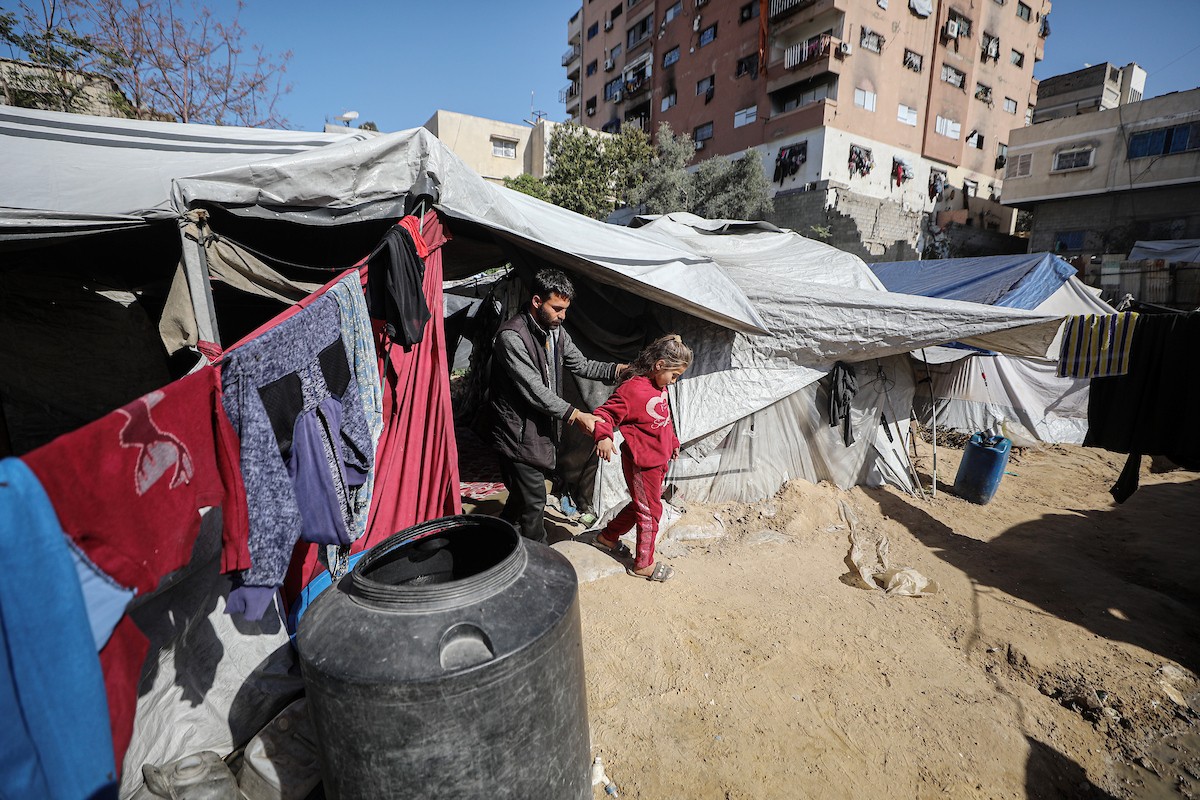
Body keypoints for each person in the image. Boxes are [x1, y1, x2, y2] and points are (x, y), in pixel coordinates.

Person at [488, 268, 623, 545]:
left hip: (538, 429)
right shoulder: (511, 337)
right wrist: (575, 415)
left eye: (565, 309)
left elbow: (582, 365)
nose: (563, 316)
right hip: (516, 432)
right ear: (537, 301)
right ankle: (541, 559)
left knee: (521, 498)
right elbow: (534, 391)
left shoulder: (555, 332)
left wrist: (620, 370)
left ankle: (497, 543)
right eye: (557, 308)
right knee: (535, 501)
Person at [590, 334, 692, 582]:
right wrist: (603, 437)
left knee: (643, 506)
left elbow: (663, 421)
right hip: (641, 464)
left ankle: (607, 537)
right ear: (659, 365)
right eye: (675, 375)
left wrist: (673, 443)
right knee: (651, 511)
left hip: (658, 461)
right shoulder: (632, 390)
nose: (675, 382)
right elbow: (604, 414)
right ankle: (643, 564)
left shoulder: (661, 387)